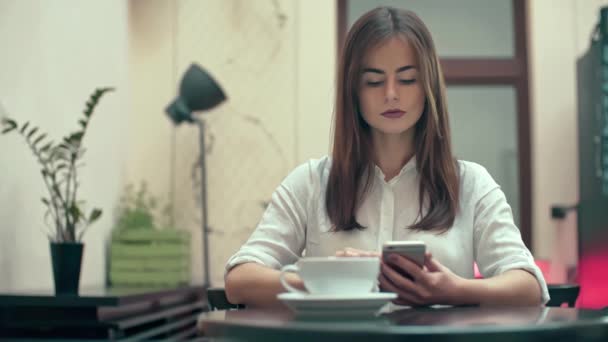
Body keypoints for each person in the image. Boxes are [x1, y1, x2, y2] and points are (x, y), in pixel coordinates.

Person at [224, 6, 549, 308]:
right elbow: (240, 279)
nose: (391, 93)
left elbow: (529, 287)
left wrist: (454, 290)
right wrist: (328, 285)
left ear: (428, 87)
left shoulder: (470, 183)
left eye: (407, 79)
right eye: (374, 81)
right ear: (354, 91)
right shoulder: (311, 182)